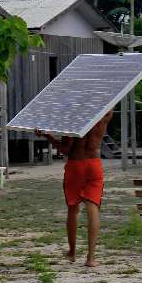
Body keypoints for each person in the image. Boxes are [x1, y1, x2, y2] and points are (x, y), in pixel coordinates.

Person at [35, 111, 113, 267]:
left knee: (73, 209)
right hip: (94, 164)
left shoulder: (71, 117)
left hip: (75, 165)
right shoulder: (105, 115)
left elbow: (66, 150)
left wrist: (47, 136)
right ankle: (91, 258)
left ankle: (72, 253)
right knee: (93, 208)